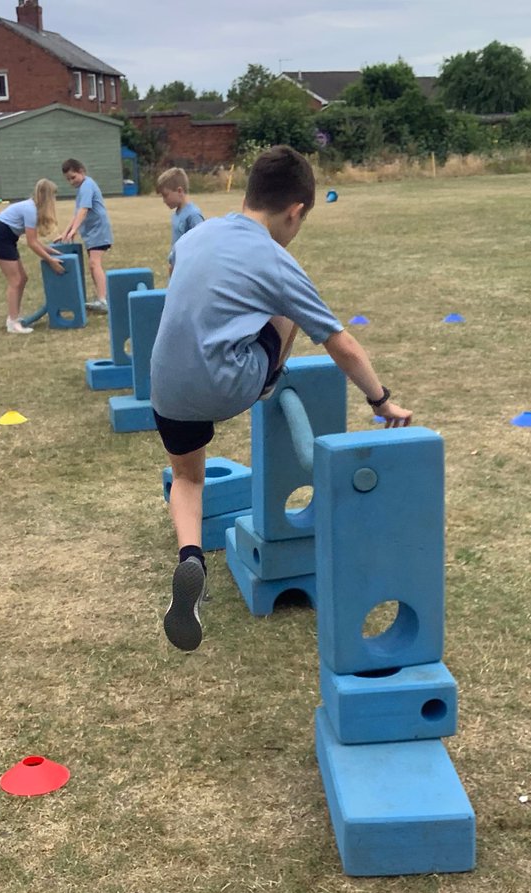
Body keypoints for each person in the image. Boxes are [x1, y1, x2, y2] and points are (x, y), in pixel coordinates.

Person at [150, 144, 412, 653]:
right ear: (295, 211)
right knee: (291, 310)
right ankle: (269, 377)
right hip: (230, 383)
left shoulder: (197, 232)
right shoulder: (278, 258)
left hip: (164, 384)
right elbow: (342, 342)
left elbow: (179, 276)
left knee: (187, 476)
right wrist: (382, 401)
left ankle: (191, 558)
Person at [0, 178, 64, 333]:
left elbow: (35, 241)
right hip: (0, 237)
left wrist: (52, 251)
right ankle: (13, 323)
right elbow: (32, 243)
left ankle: (13, 318)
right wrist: (50, 261)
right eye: (53, 196)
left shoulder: (31, 208)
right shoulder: (31, 210)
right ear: (47, 197)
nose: (54, 201)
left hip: (8, 237)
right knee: (15, 280)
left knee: (23, 278)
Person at [60, 158, 113, 312]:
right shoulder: (82, 188)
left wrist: (74, 230)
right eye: (68, 179)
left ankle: (103, 300)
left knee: (94, 263)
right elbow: (76, 213)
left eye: (73, 177)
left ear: (81, 172)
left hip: (99, 230)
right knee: (93, 265)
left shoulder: (87, 186)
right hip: (91, 232)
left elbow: (83, 210)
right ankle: (101, 298)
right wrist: (66, 232)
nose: (71, 182)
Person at [156, 167, 204, 274]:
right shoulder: (176, 214)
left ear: (179, 191)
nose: (164, 201)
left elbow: (201, 245)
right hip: (176, 270)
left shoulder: (193, 215)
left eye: (165, 195)